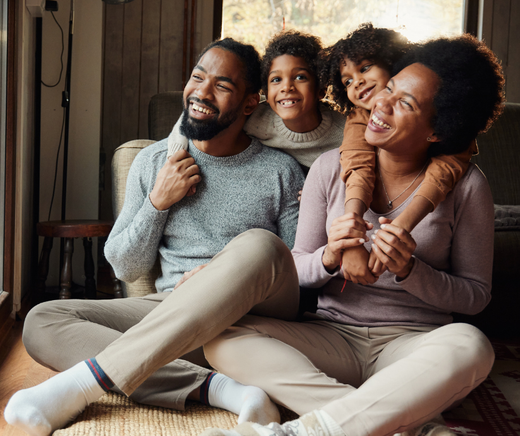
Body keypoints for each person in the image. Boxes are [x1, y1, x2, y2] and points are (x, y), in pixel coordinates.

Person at [198, 34, 505, 436]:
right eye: (390, 88)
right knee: (221, 337)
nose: (381, 104)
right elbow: (295, 264)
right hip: (331, 336)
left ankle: (309, 429)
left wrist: (411, 270)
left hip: (411, 345)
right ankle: (395, 422)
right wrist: (328, 257)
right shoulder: (330, 167)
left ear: (437, 132)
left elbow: (475, 296)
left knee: (472, 347)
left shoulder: (468, 186)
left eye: (406, 104)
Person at [4, 38, 306, 436]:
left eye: (221, 85)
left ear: (251, 102)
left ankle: (117, 374)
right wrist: (157, 203)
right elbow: (125, 265)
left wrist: (220, 277)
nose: (201, 92)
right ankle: (221, 389)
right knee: (42, 320)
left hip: (246, 319)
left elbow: (297, 270)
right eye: (197, 78)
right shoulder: (154, 162)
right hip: (167, 312)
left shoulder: (279, 171)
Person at [325, 23, 478, 285]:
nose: (357, 82)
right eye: (347, 81)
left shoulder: (459, 155)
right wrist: (348, 242)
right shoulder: (356, 122)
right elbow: (357, 165)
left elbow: (448, 167)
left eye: (364, 68)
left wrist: (402, 227)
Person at [167, 30, 345, 174]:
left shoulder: (344, 131)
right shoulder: (257, 116)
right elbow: (197, 114)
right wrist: (174, 156)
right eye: (276, 80)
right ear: (266, 94)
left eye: (300, 77)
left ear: (321, 89)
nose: (287, 87)